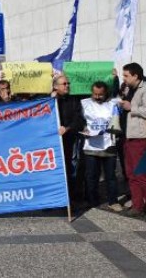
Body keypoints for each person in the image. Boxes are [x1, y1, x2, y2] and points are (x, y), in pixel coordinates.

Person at [119, 63, 146, 221]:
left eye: (126, 75)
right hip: (128, 136)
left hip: (140, 137)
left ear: (136, 76)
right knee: (131, 174)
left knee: (142, 174)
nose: (125, 78)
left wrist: (132, 107)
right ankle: (137, 205)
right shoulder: (129, 89)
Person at [80, 81, 121, 212]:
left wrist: (116, 80)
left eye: (100, 94)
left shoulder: (113, 103)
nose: (97, 97)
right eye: (95, 94)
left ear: (106, 93)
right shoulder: (84, 103)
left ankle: (113, 201)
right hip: (91, 146)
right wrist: (83, 128)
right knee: (91, 176)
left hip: (109, 145)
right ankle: (92, 200)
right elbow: (79, 119)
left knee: (110, 176)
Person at [52, 74, 86, 205]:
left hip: (70, 139)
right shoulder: (49, 101)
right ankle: (55, 197)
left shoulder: (74, 100)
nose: (67, 86)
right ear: (55, 86)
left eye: (68, 83)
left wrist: (67, 128)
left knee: (71, 168)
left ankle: (72, 197)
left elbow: (79, 120)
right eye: (64, 84)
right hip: (54, 142)